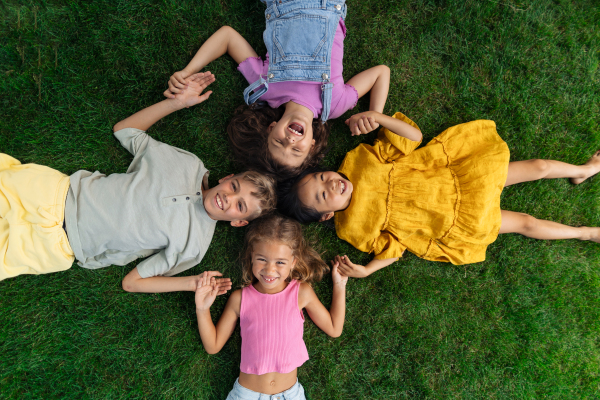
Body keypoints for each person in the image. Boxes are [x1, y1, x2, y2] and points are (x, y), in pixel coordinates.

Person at [0, 73, 277, 294]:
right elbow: (126, 131)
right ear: (228, 178)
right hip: (57, 194)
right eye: (234, 187)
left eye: (239, 206)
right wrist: (178, 103)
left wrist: (192, 283)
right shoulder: (189, 165)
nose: (228, 198)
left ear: (239, 222)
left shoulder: (194, 247)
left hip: (61, 246)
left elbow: (133, 282)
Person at [277, 110, 600, 277]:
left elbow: (412, 137)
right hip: (452, 219)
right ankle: (585, 234)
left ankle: (582, 171)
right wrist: (366, 269)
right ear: (327, 215)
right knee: (526, 223)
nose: (331, 184)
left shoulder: (359, 160)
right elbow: (393, 248)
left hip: (460, 176)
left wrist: (379, 119)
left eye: (321, 177)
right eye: (323, 195)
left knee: (539, 166)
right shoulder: (352, 228)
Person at [164, 0, 390, 179]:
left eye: (278, 142)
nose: (290, 142)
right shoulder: (335, 105)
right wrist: (375, 114)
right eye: (296, 151)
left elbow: (227, 36)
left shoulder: (266, 88)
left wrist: (187, 71)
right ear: (311, 146)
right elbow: (381, 72)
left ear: (272, 127)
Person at [194, 214, 348, 399]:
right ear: (251, 257)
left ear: (293, 263)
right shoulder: (240, 299)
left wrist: (339, 286)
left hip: (290, 394)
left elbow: (334, 328)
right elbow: (213, 346)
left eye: (280, 262)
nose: (269, 270)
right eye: (262, 259)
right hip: (247, 394)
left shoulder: (301, 293)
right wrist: (202, 309)